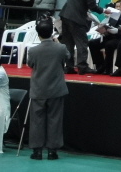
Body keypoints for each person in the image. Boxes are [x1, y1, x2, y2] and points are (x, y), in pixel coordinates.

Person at [27, 18, 69, 160]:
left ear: (38, 34)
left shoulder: (33, 50)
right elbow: (67, 58)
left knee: (37, 121)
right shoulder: (61, 48)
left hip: (38, 89)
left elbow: (30, 64)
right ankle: (52, 151)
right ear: (52, 33)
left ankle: (37, 151)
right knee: (55, 120)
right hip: (56, 89)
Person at [59, 0, 113, 75]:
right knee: (82, 42)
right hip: (76, 18)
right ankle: (82, 66)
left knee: (68, 42)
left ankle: (69, 66)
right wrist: (103, 10)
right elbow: (92, 5)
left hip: (66, 15)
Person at [89, 0, 121, 75]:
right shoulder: (116, 15)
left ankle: (108, 68)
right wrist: (105, 30)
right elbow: (110, 25)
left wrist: (117, 31)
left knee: (109, 44)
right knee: (92, 43)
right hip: (110, 36)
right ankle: (100, 65)